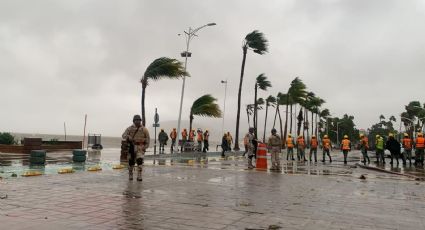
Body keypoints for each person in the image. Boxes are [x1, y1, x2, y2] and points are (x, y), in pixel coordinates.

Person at [122, 115, 150, 181]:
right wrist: (128, 137)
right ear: (134, 121)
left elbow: (148, 139)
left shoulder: (144, 129)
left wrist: (145, 147)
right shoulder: (129, 128)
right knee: (131, 162)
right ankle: (130, 174)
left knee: (139, 161)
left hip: (140, 147)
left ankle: (139, 175)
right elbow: (123, 135)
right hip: (132, 147)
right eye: (136, 120)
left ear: (140, 121)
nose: (137, 121)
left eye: (139, 120)